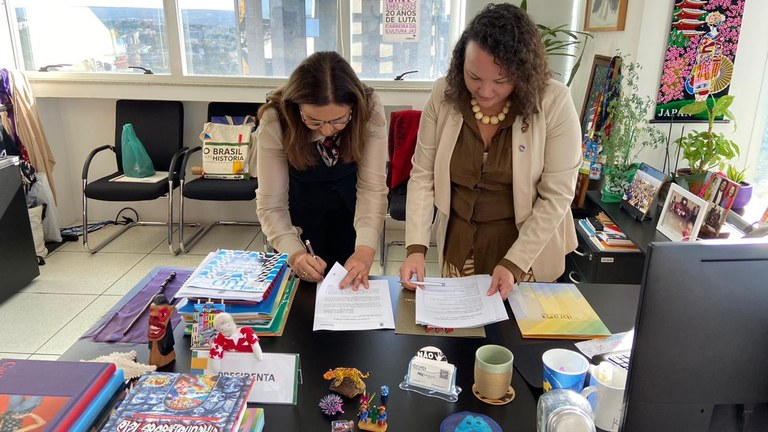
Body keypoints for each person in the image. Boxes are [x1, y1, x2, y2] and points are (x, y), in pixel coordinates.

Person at [399, 3, 581, 300]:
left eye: (500, 81)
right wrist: (416, 248)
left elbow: (557, 196)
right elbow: (422, 175)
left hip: (527, 256)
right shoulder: (444, 94)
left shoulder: (554, 102)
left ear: (522, 73)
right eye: (474, 77)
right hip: (461, 249)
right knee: (462, 325)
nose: (485, 91)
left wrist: (514, 263)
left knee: (515, 329)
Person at [255, 51, 388, 290]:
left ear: (352, 107)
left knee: (345, 288)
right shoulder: (276, 119)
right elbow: (271, 205)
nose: (327, 130)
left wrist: (365, 250)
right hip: (298, 219)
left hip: (350, 213)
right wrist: (295, 254)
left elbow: (372, 188)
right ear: (297, 107)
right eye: (314, 121)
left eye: (339, 120)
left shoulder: (368, 109)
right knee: (300, 293)